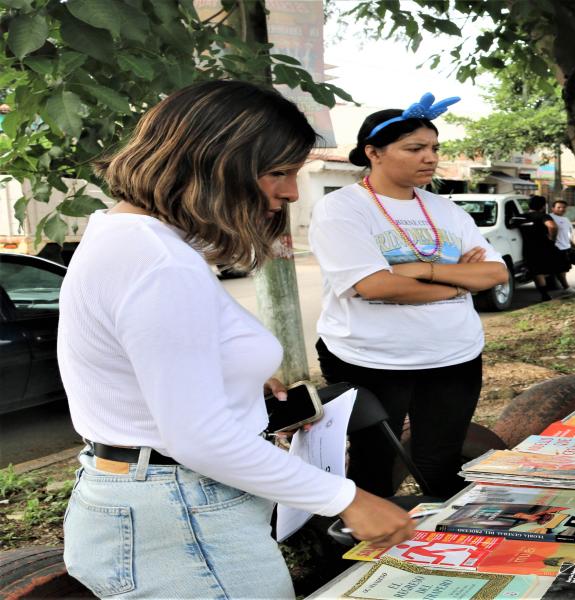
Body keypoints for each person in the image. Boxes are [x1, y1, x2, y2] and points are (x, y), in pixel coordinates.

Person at [57, 81, 414, 599]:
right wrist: (347, 499)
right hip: (180, 510)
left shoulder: (128, 237)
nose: (291, 192)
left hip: (154, 497)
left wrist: (239, 383)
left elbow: (140, 372)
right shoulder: (160, 263)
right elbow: (198, 438)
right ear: (210, 164)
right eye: (278, 173)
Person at [309, 94, 508, 500]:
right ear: (373, 153)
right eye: (415, 148)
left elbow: (495, 272)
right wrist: (458, 282)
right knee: (374, 464)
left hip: (455, 358)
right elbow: (376, 286)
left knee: (442, 464)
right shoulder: (342, 209)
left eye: (434, 148)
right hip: (369, 359)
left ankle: (438, 551)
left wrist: (423, 270)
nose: (430, 157)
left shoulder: (448, 210)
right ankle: (367, 553)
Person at [520, 195, 569, 301]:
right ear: (543, 206)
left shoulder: (522, 217)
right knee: (556, 265)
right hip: (544, 245)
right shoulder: (543, 216)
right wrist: (552, 238)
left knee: (537, 271)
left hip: (529, 247)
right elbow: (552, 226)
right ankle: (565, 287)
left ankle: (544, 294)